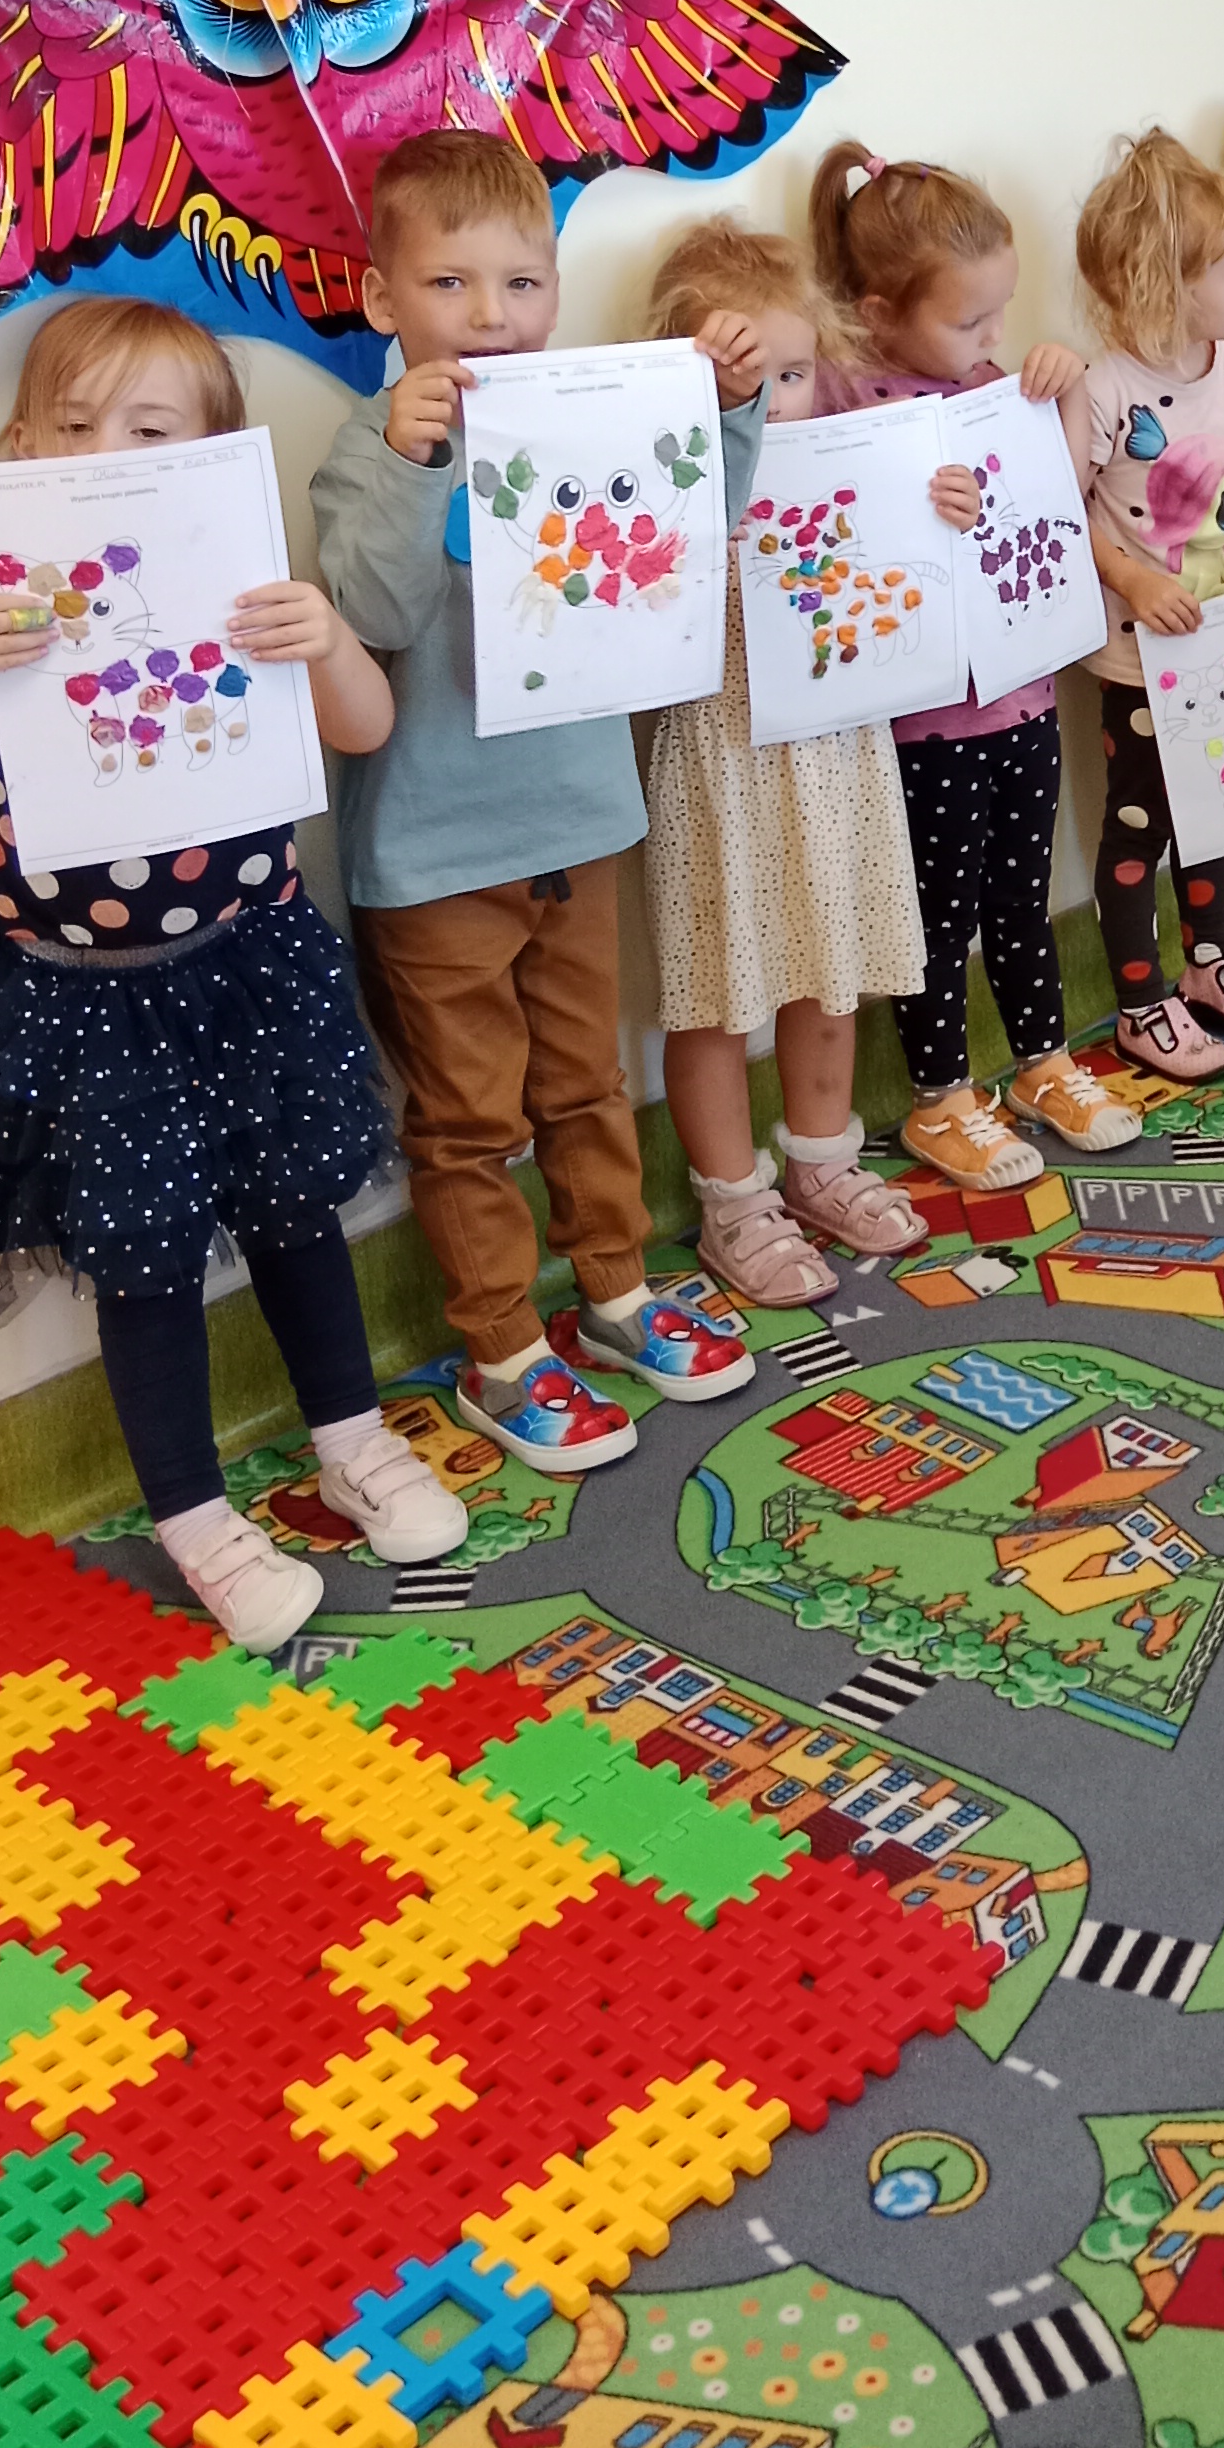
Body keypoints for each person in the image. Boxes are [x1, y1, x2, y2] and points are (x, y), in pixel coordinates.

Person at [0, 300, 465, 1651]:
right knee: (141, 1268)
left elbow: (364, 725)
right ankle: (195, 1518)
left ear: (212, 455)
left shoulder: (247, 588)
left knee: (298, 1217)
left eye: (147, 431)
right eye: (72, 425)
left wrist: (326, 642)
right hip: (79, 998)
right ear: (20, 446)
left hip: (248, 961)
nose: (101, 453)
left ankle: (352, 1439)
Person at [313, 131, 772, 1475]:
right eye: (449, 284)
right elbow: (374, 616)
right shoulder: (364, 448)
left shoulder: (588, 409)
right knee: (470, 1120)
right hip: (435, 853)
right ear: (383, 299)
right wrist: (411, 466)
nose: (491, 315)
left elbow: (691, 531)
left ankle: (615, 1292)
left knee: (585, 1085)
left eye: (520, 283)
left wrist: (731, 407)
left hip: (578, 820)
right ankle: (504, 1351)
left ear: (556, 293)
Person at [810, 144, 1139, 1188]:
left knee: (1021, 900)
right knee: (938, 920)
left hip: (1021, 698)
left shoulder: (992, 388)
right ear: (877, 311)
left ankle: (1042, 1064)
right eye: (970, 320)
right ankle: (940, 1096)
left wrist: (1065, 393)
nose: (992, 336)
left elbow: (1055, 495)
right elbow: (828, 535)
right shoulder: (841, 396)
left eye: (999, 313)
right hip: (923, 726)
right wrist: (921, 501)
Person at [639, 218, 933, 1299]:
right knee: (715, 995)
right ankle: (733, 1200)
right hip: (721, 771)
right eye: (742, 379)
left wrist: (939, 508)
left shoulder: (849, 463)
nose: (773, 400)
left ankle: (822, 1162)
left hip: (837, 758)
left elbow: (915, 572)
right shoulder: (664, 487)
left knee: (831, 970)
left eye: (793, 373)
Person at [1075, 127, 1224, 1081]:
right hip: (1143, 657)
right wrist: (1134, 581)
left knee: (1222, 808)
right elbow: (1065, 518)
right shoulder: (1102, 390)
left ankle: (1210, 961)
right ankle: (1140, 1003)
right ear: (1162, 286)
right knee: (1140, 824)